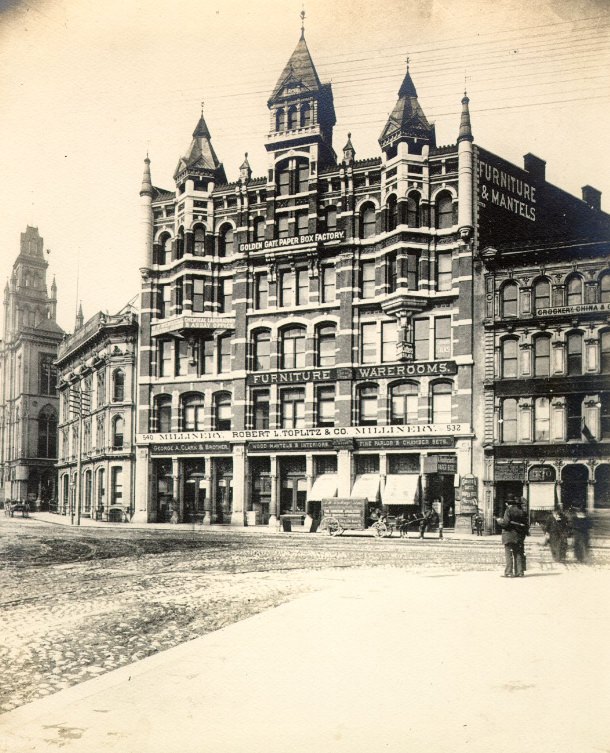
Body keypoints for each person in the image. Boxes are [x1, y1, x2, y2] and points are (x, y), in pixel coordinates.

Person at [498, 497, 529, 577]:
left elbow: (506, 523)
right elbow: (526, 524)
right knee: (518, 553)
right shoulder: (523, 512)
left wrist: (500, 522)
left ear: (508, 504)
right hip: (519, 536)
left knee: (508, 554)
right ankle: (519, 572)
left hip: (508, 535)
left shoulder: (508, 510)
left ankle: (509, 572)